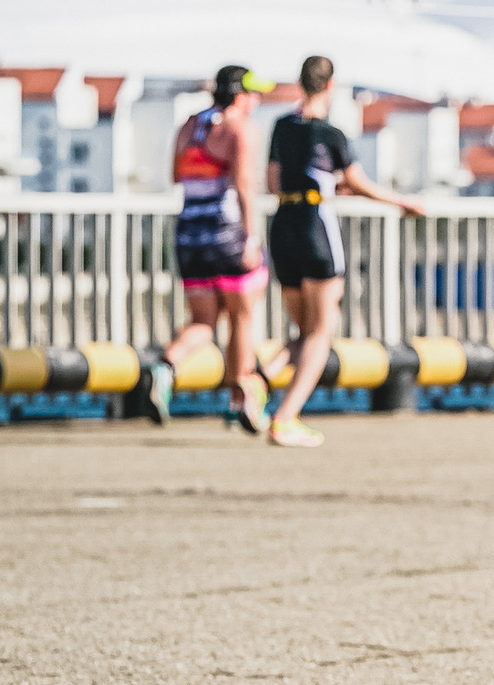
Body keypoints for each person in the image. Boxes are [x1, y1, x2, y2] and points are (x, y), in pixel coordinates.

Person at [263, 56, 426, 449]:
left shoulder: (281, 127)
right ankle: (285, 418)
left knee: (304, 332)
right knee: (322, 331)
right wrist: (400, 202)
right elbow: (359, 181)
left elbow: (272, 182)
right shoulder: (331, 133)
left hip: (282, 225)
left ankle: (258, 380)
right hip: (316, 229)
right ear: (330, 85)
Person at [139, 65, 274, 433]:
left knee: (203, 321)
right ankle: (241, 399)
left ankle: (165, 367)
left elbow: (175, 174)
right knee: (242, 318)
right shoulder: (241, 129)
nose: (257, 101)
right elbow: (244, 185)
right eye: (254, 94)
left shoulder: (190, 125)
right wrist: (252, 237)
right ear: (241, 95)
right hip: (227, 231)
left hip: (189, 231)